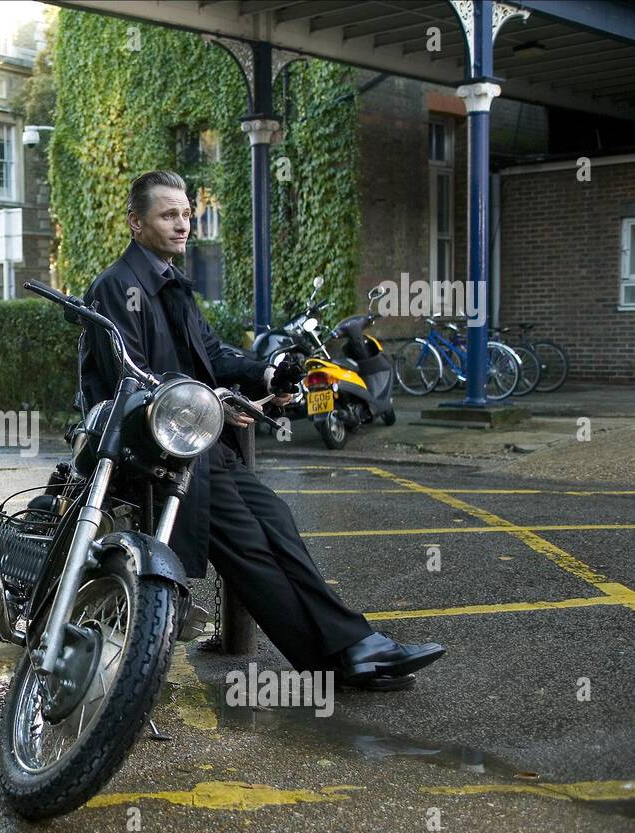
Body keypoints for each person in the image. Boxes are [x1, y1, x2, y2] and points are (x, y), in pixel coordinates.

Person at [78, 170, 444, 688]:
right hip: (161, 455)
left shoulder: (172, 284)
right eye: (169, 215)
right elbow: (131, 378)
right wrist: (211, 405)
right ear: (136, 223)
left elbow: (212, 352)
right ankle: (339, 658)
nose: (184, 224)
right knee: (252, 550)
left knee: (277, 521)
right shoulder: (117, 286)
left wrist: (267, 371)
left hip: (203, 446)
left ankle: (350, 648)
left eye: (186, 213)